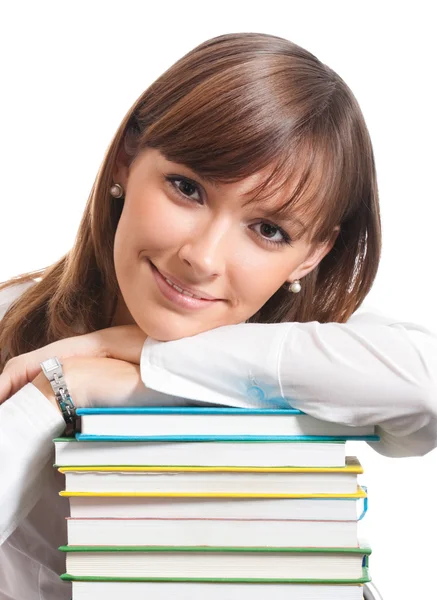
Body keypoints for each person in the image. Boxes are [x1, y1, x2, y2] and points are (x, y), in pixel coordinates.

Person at [0, 31, 436, 600]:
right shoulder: (15, 324)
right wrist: (51, 396)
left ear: (311, 255)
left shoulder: (319, 338)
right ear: (126, 162)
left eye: (268, 230)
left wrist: (138, 356)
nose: (202, 259)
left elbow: (427, 388)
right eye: (187, 188)